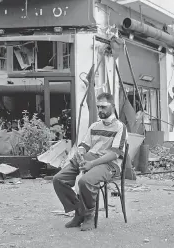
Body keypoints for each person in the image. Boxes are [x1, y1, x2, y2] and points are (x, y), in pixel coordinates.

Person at [52, 92, 127, 231]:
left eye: (103, 107)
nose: (100, 110)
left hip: (110, 164)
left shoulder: (120, 127)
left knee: (85, 181)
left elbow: (114, 154)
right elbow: (84, 145)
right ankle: (79, 211)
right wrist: (80, 153)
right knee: (58, 179)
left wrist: (92, 164)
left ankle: (88, 216)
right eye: (98, 107)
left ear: (113, 106)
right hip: (90, 159)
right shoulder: (94, 126)